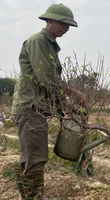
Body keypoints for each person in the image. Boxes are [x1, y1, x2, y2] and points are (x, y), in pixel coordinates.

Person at [12, 3, 85, 199]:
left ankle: (28, 197)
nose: (66, 29)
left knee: (29, 158)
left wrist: (71, 92)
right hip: (31, 108)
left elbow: (52, 77)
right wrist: (64, 100)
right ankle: (35, 197)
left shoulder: (48, 44)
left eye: (68, 25)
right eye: (62, 24)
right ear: (50, 20)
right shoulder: (39, 41)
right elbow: (46, 77)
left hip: (33, 108)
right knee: (36, 158)